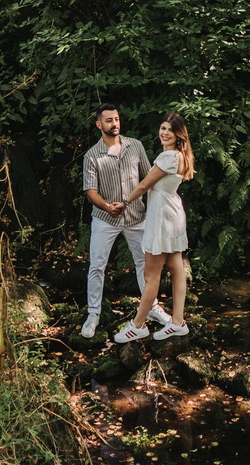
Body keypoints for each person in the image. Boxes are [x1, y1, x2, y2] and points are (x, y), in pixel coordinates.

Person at [80, 104, 173, 338]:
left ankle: (151, 308)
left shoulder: (135, 146)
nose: (115, 124)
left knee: (145, 264)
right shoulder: (92, 155)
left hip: (136, 217)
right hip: (104, 218)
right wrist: (106, 207)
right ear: (99, 125)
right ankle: (94, 314)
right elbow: (90, 191)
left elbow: (148, 178)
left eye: (117, 119)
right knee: (97, 266)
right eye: (109, 120)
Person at [113, 111, 195, 343]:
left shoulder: (169, 157)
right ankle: (178, 322)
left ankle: (137, 325)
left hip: (162, 218)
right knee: (176, 268)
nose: (165, 133)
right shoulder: (178, 155)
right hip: (171, 213)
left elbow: (144, 185)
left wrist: (125, 203)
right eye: (162, 128)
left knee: (151, 275)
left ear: (179, 134)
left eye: (170, 129)